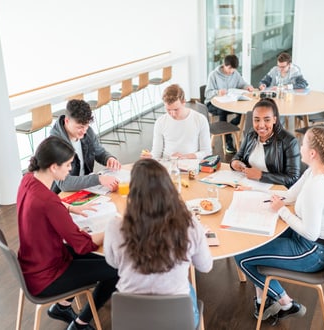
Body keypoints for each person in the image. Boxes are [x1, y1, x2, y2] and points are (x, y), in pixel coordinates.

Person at [234, 126, 324, 323]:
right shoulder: (318, 171)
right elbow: (290, 195)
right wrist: (254, 191)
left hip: (313, 250)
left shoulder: (317, 187)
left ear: (312, 153)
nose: (299, 146)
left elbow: (310, 234)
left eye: (303, 144)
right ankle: (263, 301)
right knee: (254, 242)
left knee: (242, 256)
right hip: (308, 240)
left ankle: (286, 303)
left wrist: (282, 211)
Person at [17, 136, 119, 330]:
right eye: (68, 165)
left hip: (34, 262)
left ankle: (62, 308)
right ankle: (80, 324)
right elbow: (83, 245)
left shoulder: (28, 179)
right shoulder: (48, 201)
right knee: (116, 268)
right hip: (47, 276)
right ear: (54, 167)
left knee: (106, 261)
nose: (70, 169)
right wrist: (113, 227)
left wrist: (69, 208)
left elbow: (45, 205)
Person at [103, 158, 213, 328]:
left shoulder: (115, 226)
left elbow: (112, 263)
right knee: (187, 287)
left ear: (133, 192)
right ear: (168, 188)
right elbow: (205, 267)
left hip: (130, 317)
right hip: (178, 319)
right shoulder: (190, 225)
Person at [50, 99, 121, 193]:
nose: (84, 131)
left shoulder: (87, 131)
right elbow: (64, 184)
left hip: (87, 188)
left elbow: (99, 151)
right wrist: (98, 179)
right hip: (64, 195)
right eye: (80, 127)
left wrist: (108, 158)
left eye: (86, 126)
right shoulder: (55, 144)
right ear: (67, 121)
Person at [230, 98, 301, 188]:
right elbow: (238, 156)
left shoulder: (289, 141)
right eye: (257, 120)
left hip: (276, 191)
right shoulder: (251, 135)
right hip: (249, 186)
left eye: (267, 120)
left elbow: (293, 177)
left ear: (274, 120)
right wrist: (235, 163)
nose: (261, 125)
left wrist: (261, 175)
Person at [142, 84, 211, 160]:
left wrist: (185, 157)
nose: (172, 114)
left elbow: (207, 152)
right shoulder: (160, 122)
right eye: (168, 110)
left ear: (184, 102)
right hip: (168, 165)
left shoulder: (200, 119)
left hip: (191, 165)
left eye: (176, 109)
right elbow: (156, 153)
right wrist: (150, 156)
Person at [204, 54, 254, 153]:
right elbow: (207, 93)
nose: (231, 71)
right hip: (213, 103)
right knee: (223, 110)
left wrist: (247, 87)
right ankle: (228, 141)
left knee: (243, 109)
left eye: (233, 69)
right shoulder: (213, 75)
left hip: (230, 101)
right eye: (229, 68)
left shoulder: (235, 74)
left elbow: (242, 84)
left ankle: (230, 125)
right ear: (224, 64)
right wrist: (217, 92)